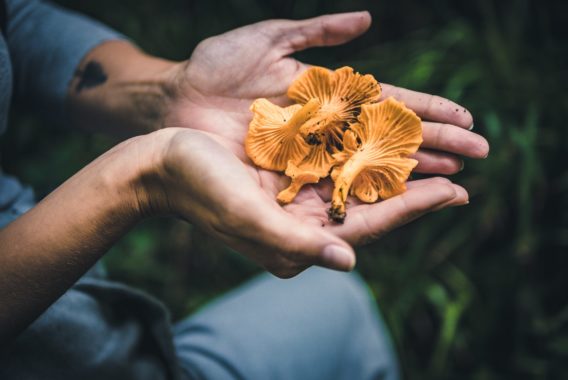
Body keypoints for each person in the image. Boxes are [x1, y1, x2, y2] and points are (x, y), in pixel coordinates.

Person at [0, 0, 489, 379]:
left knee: (339, 297)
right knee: (342, 307)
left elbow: (16, 22)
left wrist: (166, 91)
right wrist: (141, 177)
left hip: (96, 326)